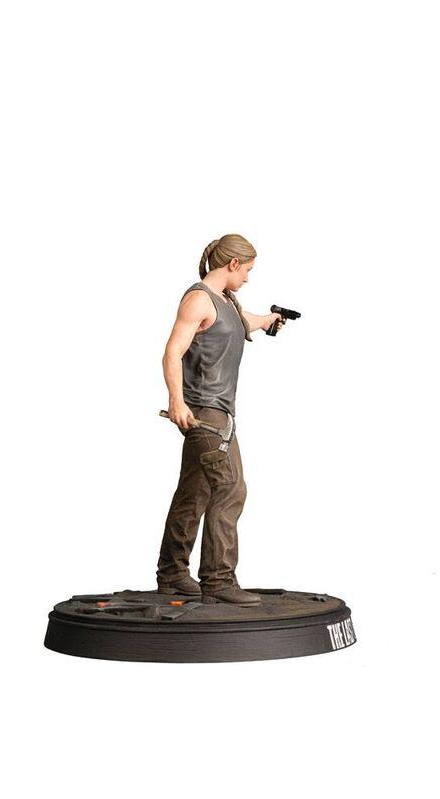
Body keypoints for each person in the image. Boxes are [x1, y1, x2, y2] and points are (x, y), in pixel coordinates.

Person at [156, 234, 283, 606]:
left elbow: (245, 321)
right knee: (230, 489)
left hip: (220, 412)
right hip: (205, 413)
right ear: (232, 264)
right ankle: (218, 580)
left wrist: (270, 320)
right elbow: (172, 351)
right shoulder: (198, 299)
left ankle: (172, 574)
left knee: (194, 492)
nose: (247, 278)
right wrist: (176, 401)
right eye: (247, 270)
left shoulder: (227, 300)